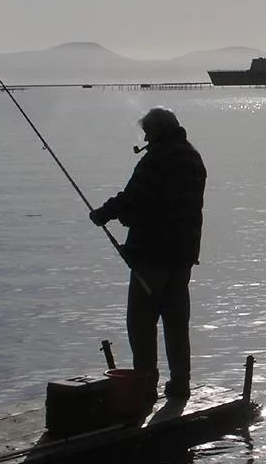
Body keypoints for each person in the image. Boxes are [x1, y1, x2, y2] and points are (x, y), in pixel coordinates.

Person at [89, 107, 207, 400]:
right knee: (176, 322)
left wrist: (103, 214)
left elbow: (134, 197)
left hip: (153, 253)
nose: (144, 138)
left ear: (156, 131)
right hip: (183, 254)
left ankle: (145, 385)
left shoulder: (157, 159)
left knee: (141, 323)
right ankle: (180, 383)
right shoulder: (193, 157)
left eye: (147, 132)